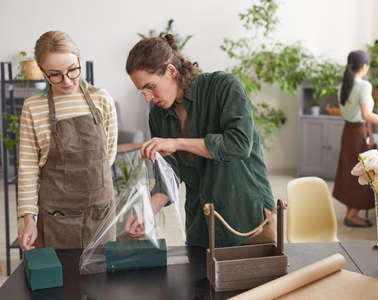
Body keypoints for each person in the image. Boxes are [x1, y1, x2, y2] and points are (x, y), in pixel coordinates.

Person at [124, 34, 275, 247]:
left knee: (253, 280)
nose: (148, 97)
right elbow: (170, 175)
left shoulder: (224, 87)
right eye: (142, 92)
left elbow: (239, 145)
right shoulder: (158, 116)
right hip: (200, 225)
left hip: (247, 220)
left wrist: (177, 143)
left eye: (151, 87)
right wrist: (148, 212)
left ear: (171, 71)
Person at [18, 31, 118, 250]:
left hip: (99, 211)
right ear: (43, 72)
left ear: (79, 61)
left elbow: (108, 156)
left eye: (73, 70)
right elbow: (27, 169)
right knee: (60, 279)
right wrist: (28, 220)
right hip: (56, 216)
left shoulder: (102, 99)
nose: (66, 81)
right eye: (55, 74)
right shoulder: (33, 107)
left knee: (101, 278)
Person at [333, 50, 378, 227]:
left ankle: (351, 213)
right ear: (364, 67)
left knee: (351, 171)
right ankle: (353, 215)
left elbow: (346, 111)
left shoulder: (344, 85)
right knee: (364, 172)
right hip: (359, 133)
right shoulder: (363, 86)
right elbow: (366, 114)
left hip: (348, 131)